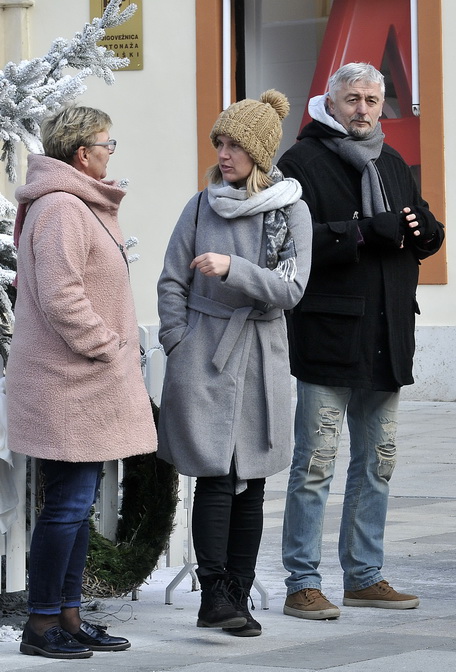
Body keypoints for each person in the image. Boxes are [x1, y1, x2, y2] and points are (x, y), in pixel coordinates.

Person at [278, 62, 444, 618]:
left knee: (378, 461)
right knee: (315, 463)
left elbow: (414, 226)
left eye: (373, 100)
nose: (364, 110)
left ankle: (364, 574)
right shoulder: (301, 161)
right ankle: (302, 580)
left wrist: (425, 232)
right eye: (353, 99)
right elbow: (287, 247)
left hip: (388, 333)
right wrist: (358, 233)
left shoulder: (392, 160)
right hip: (329, 335)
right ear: (331, 101)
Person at [157, 90, 312, 637]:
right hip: (204, 355)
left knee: (254, 477)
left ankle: (238, 593)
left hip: (262, 355)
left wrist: (233, 269)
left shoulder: (289, 210)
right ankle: (214, 596)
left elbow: (292, 288)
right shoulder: (200, 206)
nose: (224, 154)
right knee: (215, 477)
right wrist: (178, 339)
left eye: (236, 145)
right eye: (219, 143)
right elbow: (172, 279)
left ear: (260, 153)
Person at [10, 105, 156, 659]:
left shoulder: (73, 204)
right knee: (68, 506)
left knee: (76, 503)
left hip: (81, 382)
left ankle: (67, 617)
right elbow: (60, 293)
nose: (110, 152)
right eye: (107, 144)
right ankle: (42, 624)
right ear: (82, 154)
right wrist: (107, 344)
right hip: (68, 381)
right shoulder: (62, 209)